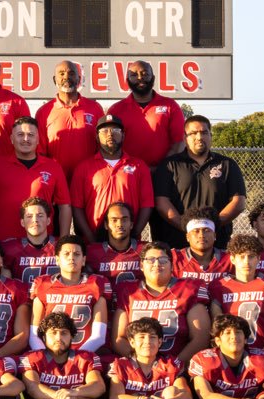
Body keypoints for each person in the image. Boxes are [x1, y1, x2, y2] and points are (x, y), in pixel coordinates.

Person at [152, 115, 247, 251]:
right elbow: (162, 203)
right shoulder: (169, 165)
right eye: (193, 133)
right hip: (177, 245)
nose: (199, 137)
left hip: (218, 245)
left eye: (204, 132)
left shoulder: (227, 164)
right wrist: (187, 227)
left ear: (210, 136)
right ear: (185, 138)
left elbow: (238, 202)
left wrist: (211, 226)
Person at [112, 242, 210, 361]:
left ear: (172, 266)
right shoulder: (129, 291)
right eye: (150, 260)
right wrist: (141, 364)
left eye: (163, 260)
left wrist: (176, 366)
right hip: (139, 367)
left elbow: (200, 338)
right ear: (142, 265)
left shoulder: (189, 289)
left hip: (177, 365)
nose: (157, 264)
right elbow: (119, 338)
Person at [70, 115, 153, 243]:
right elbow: (77, 207)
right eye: (104, 131)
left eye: (115, 130)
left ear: (123, 135)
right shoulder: (83, 167)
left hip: (128, 241)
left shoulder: (139, 166)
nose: (110, 134)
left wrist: (135, 234)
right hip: (93, 241)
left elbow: (147, 204)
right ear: (97, 137)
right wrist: (90, 237)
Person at [0, 117, 73, 239]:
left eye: (31, 135)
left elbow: (65, 205)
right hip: (5, 242)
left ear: (38, 139)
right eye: (20, 134)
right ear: (11, 139)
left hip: (42, 246)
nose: (26, 139)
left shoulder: (53, 167)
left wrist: (64, 239)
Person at [28, 236, 111, 353]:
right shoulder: (43, 285)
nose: (71, 258)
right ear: (57, 259)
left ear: (83, 260)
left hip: (84, 354)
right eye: (66, 254)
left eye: (77, 254)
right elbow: (34, 335)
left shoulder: (95, 285)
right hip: (50, 355)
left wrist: (76, 358)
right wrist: (48, 358)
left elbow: (99, 337)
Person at [208, 235, 264, 355]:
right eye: (241, 257)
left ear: (258, 258)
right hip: (231, 357)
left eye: (251, 257)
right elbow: (219, 333)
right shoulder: (219, 287)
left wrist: (259, 357)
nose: (246, 262)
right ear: (232, 259)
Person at [105, 60, 186, 167]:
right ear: (127, 80)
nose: (140, 77)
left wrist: (162, 168)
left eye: (145, 74)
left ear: (153, 78)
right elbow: (110, 146)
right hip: (127, 173)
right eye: (134, 75)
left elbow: (179, 142)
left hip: (164, 173)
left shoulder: (170, 106)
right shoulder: (116, 110)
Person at [35, 60, 104, 177]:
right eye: (61, 73)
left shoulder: (95, 108)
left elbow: (102, 148)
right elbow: (40, 153)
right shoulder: (43, 112)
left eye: (71, 73)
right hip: (57, 179)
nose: (66, 77)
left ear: (79, 79)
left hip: (90, 177)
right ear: (54, 79)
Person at [1, 197, 61, 286]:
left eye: (40, 215)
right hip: (23, 299)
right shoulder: (10, 248)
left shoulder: (62, 246)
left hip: (53, 298)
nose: (35, 220)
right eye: (29, 216)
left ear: (48, 220)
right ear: (22, 222)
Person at [86, 202, 145, 289]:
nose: (119, 225)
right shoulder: (92, 252)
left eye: (124, 220)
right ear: (106, 225)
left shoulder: (146, 250)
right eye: (114, 220)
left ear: (131, 224)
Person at [172, 207, 234, 284]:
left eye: (206, 230)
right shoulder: (174, 259)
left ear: (214, 235)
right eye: (196, 231)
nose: (202, 235)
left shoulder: (231, 259)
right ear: (187, 237)